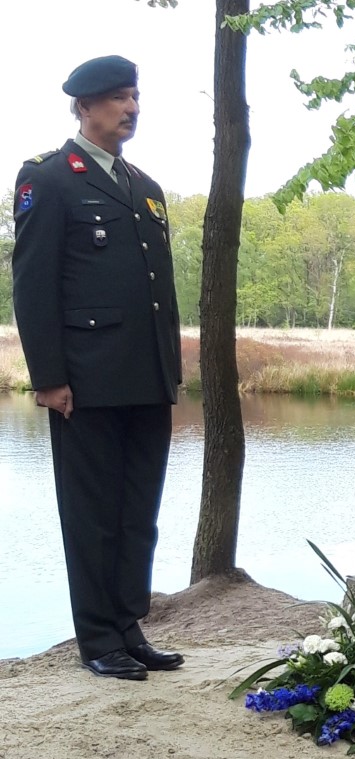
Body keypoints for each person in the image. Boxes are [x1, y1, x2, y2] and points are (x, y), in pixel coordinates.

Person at [12, 55, 184, 679]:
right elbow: (33, 288)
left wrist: (171, 368)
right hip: (85, 380)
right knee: (92, 512)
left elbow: (159, 292)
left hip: (147, 377)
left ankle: (128, 625)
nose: (131, 108)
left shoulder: (146, 188)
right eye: (117, 99)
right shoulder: (50, 179)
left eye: (134, 97)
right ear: (83, 107)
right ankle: (96, 639)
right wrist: (50, 377)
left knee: (139, 509)